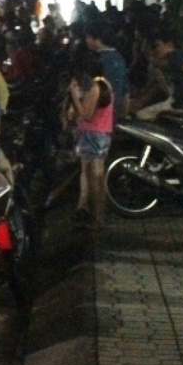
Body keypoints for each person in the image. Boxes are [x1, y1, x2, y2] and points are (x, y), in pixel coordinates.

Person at [66, 49, 114, 230]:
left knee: (95, 179)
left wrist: (74, 95)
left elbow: (86, 115)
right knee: (95, 176)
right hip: (102, 133)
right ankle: (91, 213)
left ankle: (98, 218)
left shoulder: (95, 87)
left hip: (92, 134)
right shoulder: (106, 84)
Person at [84, 20, 130, 119]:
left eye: (88, 37)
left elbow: (88, 89)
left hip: (96, 116)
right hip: (112, 115)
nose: (86, 40)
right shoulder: (119, 58)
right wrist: (122, 116)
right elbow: (125, 91)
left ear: (98, 39)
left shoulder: (96, 60)